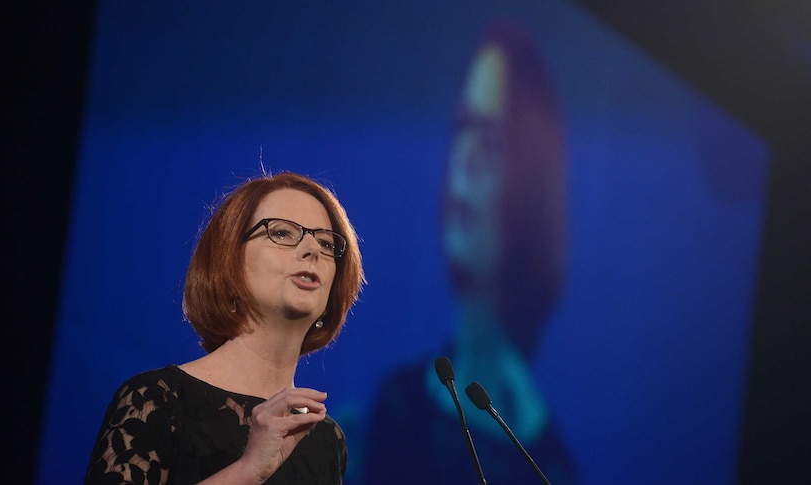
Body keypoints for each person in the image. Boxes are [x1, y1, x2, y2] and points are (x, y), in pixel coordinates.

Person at [364, 20, 577, 484]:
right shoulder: (399, 407)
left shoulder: (550, 468)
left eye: (493, 140)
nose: (466, 158)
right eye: (463, 126)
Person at [84, 170, 365, 485]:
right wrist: (246, 471)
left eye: (327, 243)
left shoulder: (326, 439)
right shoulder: (156, 401)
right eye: (283, 233)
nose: (313, 250)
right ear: (229, 260)